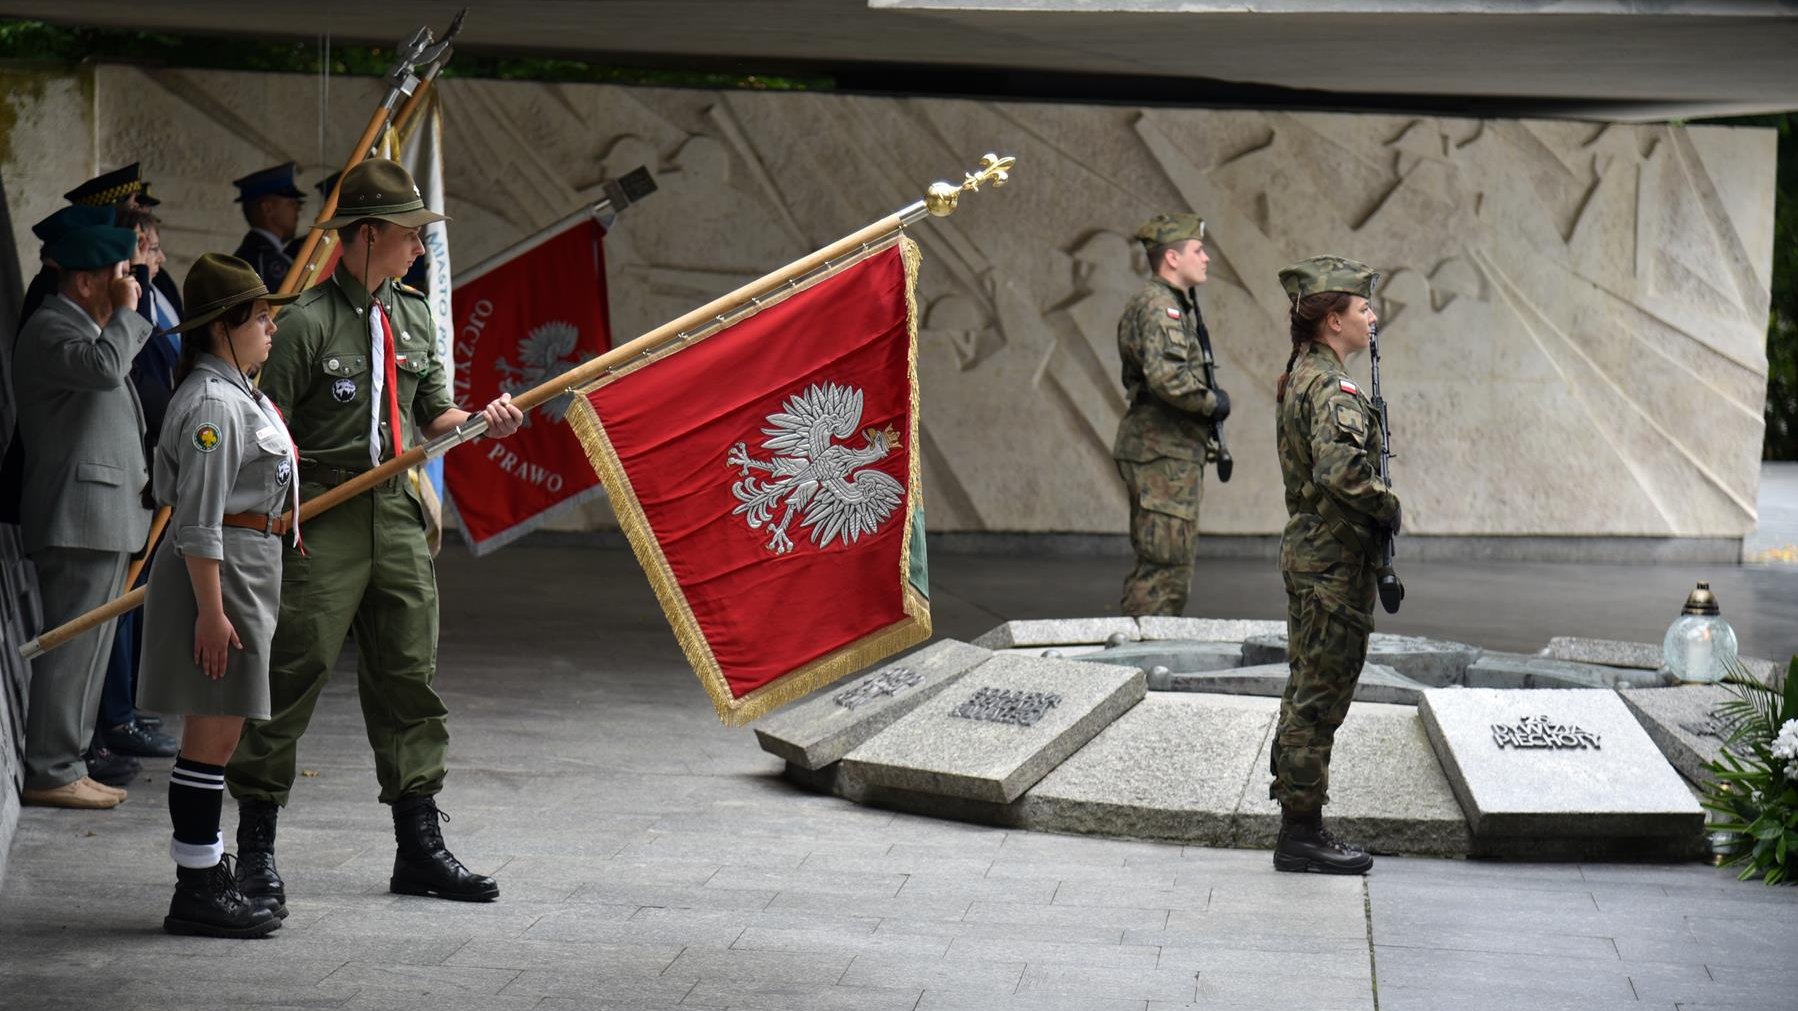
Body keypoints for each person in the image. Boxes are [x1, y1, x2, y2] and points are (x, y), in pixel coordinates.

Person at [226, 158, 523, 909]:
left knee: (408, 676)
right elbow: (267, 426)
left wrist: (479, 424)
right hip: (323, 514)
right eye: (408, 236)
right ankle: (255, 844)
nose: (419, 248)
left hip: (394, 507)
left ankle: (418, 845)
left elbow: (434, 417)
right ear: (364, 236)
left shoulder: (414, 314)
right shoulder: (301, 322)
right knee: (292, 669)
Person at [140, 253, 300, 937]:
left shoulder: (239, 390)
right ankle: (197, 886)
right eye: (258, 316)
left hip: (246, 568)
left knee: (223, 731)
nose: (269, 326)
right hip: (222, 574)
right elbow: (199, 519)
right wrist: (211, 610)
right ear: (221, 328)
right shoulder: (212, 403)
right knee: (211, 733)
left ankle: (205, 873)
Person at [12, 215, 152, 810]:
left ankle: (67, 759)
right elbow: (102, 371)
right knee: (70, 650)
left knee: (89, 651)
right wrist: (125, 313)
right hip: (79, 514)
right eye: (118, 275)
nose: (130, 284)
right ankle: (50, 766)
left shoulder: (83, 327)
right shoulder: (51, 328)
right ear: (87, 282)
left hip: (102, 512)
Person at [1268, 255, 1402, 875]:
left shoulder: (1301, 374)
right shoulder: (1332, 387)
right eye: (1363, 308)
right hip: (1332, 563)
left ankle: (1301, 823)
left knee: (1307, 689)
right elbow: (1341, 471)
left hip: (1312, 553)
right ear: (1332, 321)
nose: (1373, 316)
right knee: (1319, 698)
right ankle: (1301, 833)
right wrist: (1389, 504)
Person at [1113, 212, 1230, 617]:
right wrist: (1212, 401)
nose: (1207, 258)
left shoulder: (1173, 305)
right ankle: (1141, 662)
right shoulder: (1162, 308)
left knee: (1172, 565)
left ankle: (1150, 655)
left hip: (1170, 452)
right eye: (1198, 250)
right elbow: (1168, 379)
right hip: (1161, 451)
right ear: (1172, 259)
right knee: (1161, 568)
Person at [232, 162, 306, 289]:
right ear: (268, 209)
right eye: (291, 203)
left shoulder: (252, 254)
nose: (298, 209)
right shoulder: (267, 260)